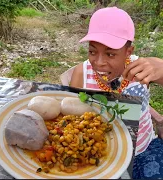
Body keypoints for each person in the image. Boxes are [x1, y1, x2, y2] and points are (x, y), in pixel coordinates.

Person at [69, 7, 163, 179]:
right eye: (92, 51)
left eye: (110, 54)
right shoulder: (81, 74)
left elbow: (141, 103)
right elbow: (74, 117)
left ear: (128, 51)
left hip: (143, 149)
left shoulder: (142, 70)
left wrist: (161, 69)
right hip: (101, 154)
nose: (99, 62)